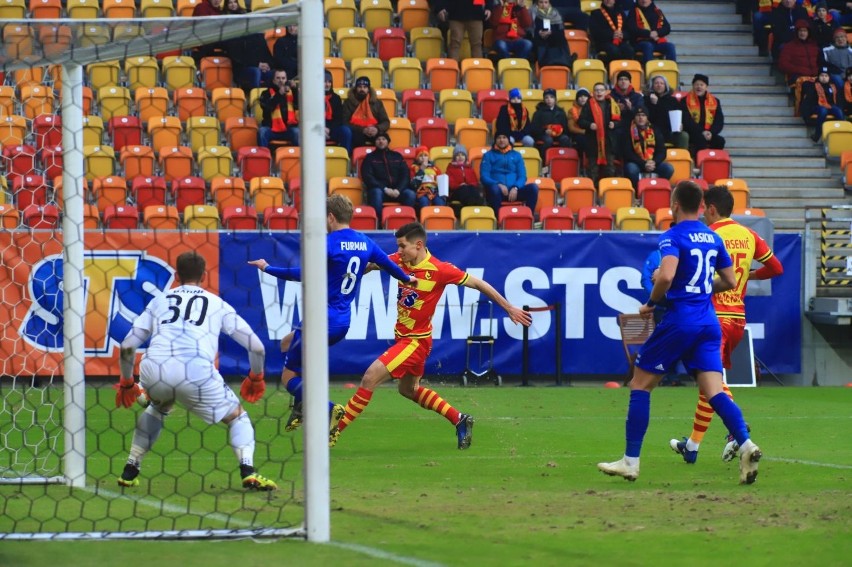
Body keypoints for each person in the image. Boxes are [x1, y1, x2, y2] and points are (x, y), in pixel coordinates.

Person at [597, 180, 764, 485]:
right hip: (708, 322)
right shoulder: (712, 238)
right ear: (701, 206)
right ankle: (746, 444)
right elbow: (728, 279)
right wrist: (698, 287)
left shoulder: (671, 237)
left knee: (640, 384)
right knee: (714, 391)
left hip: (680, 321)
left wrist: (651, 302)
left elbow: (667, 275)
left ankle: (630, 462)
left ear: (674, 205)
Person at [329, 222, 532, 448]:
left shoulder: (440, 270)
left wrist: (509, 307)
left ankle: (333, 432)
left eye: (402, 246)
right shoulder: (400, 260)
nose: (399, 251)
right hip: (410, 339)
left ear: (418, 245)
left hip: (414, 342)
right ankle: (460, 419)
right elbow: (373, 263)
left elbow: (478, 283)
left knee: (370, 377)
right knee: (408, 390)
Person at [247, 194, 416, 437]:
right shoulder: (365, 241)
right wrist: (407, 278)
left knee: (288, 376)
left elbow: (301, 273)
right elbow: (388, 266)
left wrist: (267, 268)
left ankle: (328, 409)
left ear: (330, 217)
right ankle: (301, 405)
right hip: (342, 320)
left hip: (320, 319)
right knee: (287, 342)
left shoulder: (328, 243)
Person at [114, 251, 276, 491]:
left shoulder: (159, 300)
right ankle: (248, 470)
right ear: (204, 275)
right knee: (237, 417)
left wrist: (127, 382)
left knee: (159, 406)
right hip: (195, 371)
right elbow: (257, 348)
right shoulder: (217, 304)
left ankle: (130, 468)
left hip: (154, 367)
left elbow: (127, 346)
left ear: (177, 275)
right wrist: (256, 377)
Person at [669, 184, 784, 465]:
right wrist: (748, 277)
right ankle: (693, 447)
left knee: (712, 383)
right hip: (737, 319)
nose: (702, 215)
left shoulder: (710, 235)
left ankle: (738, 433)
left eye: (704, 210)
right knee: (706, 384)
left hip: (711, 317)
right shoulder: (749, 234)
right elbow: (776, 268)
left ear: (710, 208)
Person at [480, 132, 540, 215]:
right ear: (495, 140)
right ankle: (498, 219)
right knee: (493, 189)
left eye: (504, 137)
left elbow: (522, 176)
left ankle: (528, 217)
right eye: (499, 138)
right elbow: (484, 177)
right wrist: (498, 184)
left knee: (533, 188)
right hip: (498, 191)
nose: (501, 140)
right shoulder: (488, 155)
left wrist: (515, 187)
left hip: (514, 191)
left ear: (508, 140)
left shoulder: (516, 155)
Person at [361, 131, 415, 216]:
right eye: (378, 139)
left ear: (388, 141)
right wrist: (385, 189)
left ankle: (406, 221)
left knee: (410, 194)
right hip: (381, 190)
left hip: (397, 191)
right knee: (376, 193)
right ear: (375, 142)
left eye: (383, 139)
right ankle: (378, 224)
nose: (381, 141)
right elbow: (368, 177)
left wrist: (398, 190)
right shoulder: (369, 158)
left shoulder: (397, 156)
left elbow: (405, 175)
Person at [619, 106, 674, 189]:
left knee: (668, 168)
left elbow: (662, 151)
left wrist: (654, 162)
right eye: (638, 115)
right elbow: (627, 153)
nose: (641, 117)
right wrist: (643, 163)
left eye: (643, 115)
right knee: (631, 169)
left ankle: (657, 189)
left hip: (652, 162)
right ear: (634, 117)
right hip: (636, 163)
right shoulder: (628, 130)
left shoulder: (655, 130)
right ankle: (637, 192)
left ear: (647, 117)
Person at [577, 82, 621, 183]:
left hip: (609, 141)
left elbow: (620, 121)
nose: (599, 92)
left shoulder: (612, 104)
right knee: (593, 170)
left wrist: (614, 124)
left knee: (610, 168)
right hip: (593, 142)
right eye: (596, 90)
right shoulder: (588, 105)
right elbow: (580, 121)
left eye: (601, 90)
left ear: (606, 92)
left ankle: (608, 189)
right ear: (593, 92)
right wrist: (589, 125)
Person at [681, 73, 726, 155]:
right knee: (700, 140)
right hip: (693, 132)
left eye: (702, 85)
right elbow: (686, 120)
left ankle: (712, 161)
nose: (699, 87)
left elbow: (719, 120)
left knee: (720, 141)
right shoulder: (685, 100)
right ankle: (699, 162)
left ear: (706, 87)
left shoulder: (715, 101)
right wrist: (701, 132)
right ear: (693, 86)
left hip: (709, 132)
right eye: (696, 84)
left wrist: (711, 132)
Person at [342, 76, 391, 149]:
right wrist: (362, 130)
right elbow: (344, 122)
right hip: (357, 131)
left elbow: (386, 122)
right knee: (356, 138)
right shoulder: (348, 103)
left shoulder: (377, 103)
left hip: (374, 130)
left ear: (368, 89)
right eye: (360, 87)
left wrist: (376, 128)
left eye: (365, 87)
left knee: (383, 139)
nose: (362, 89)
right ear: (356, 89)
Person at [644, 74, 689, 150]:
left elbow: (679, 116)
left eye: (662, 83)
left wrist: (681, 125)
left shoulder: (672, 100)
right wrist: (654, 105)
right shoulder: (646, 99)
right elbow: (648, 117)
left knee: (683, 135)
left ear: (666, 86)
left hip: (669, 132)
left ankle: (682, 159)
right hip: (652, 132)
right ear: (652, 86)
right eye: (656, 83)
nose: (659, 85)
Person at [258, 69, 300, 149]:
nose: (281, 80)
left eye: (283, 78)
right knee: (262, 132)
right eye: (278, 78)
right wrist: (279, 94)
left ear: (286, 79)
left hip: (288, 129)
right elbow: (267, 108)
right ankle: (264, 157)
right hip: (271, 129)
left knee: (297, 132)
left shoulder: (291, 92)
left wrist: (294, 89)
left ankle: (297, 158)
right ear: (273, 80)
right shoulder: (265, 93)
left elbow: (298, 105)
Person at [800, 66, 845, 141]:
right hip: (816, 106)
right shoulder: (813, 86)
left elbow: (838, 100)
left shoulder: (833, 86)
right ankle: (817, 134)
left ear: (829, 77)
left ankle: (841, 133)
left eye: (826, 76)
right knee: (823, 111)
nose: (824, 78)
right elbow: (808, 101)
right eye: (822, 75)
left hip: (830, 106)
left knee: (838, 111)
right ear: (818, 76)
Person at [626, 0, 676, 65]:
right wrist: (648, 34)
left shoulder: (657, 11)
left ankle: (670, 70)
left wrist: (657, 33)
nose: (644, 1)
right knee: (648, 46)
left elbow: (667, 28)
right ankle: (649, 71)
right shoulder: (633, 11)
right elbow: (632, 29)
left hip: (656, 42)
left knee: (670, 46)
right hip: (639, 43)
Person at [589, 0, 636, 67]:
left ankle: (625, 71)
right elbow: (595, 32)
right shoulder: (596, 13)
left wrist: (622, 35)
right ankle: (613, 70)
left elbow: (629, 31)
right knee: (614, 50)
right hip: (603, 42)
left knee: (629, 50)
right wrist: (612, 35)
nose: (608, 0)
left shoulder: (620, 13)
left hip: (620, 41)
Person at [777, 19, 820, 87]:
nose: (802, 33)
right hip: (798, 76)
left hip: (816, 76)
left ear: (808, 32)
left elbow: (821, 61)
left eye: (805, 31)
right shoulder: (789, 46)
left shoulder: (814, 45)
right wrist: (800, 70)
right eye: (800, 31)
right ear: (797, 32)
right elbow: (783, 64)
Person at [530, 0, 574, 68]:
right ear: (537, 4)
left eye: (546, 2)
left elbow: (561, 32)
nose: (543, 5)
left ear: (549, 3)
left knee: (560, 38)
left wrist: (551, 33)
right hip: (541, 41)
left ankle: (561, 60)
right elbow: (532, 30)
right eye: (541, 2)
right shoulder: (533, 14)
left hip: (555, 41)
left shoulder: (556, 14)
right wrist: (539, 33)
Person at [531, 87, 572, 157]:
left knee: (565, 139)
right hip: (544, 134)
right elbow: (534, 128)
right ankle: (544, 162)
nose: (549, 99)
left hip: (559, 135)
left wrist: (560, 130)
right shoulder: (538, 112)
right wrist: (544, 131)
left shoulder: (561, 112)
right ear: (544, 99)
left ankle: (564, 159)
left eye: (551, 97)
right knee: (548, 140)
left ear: (555, 99)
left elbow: (565, 127)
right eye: (546, 97)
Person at [322, 70, 353, 156]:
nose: (327, 84)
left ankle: (345, 158)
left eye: (329, 82)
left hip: (331, 129)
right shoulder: (312, 96)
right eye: (324, 82)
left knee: (345, 131)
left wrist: (329, 129)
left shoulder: (336, 98)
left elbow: (339, 118)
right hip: (316, 129)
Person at [820, 27, 852, 91]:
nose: (840, 39)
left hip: (848, 74)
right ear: (834, 39)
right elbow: (823, 63)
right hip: (834, 74)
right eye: (837, 37)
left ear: (846, 38)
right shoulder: (826, 50)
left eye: (842, 37)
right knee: (838, 80)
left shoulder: (850, 51)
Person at [567, 87, 590, 173]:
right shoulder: (572, 111)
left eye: (585, 96)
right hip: (579, 134)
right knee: (582, 140)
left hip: (591, 133)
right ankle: (582, 167)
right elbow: (571, 128)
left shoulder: (594, 109)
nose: (583, 98)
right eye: (580, 96)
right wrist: (584, 132)